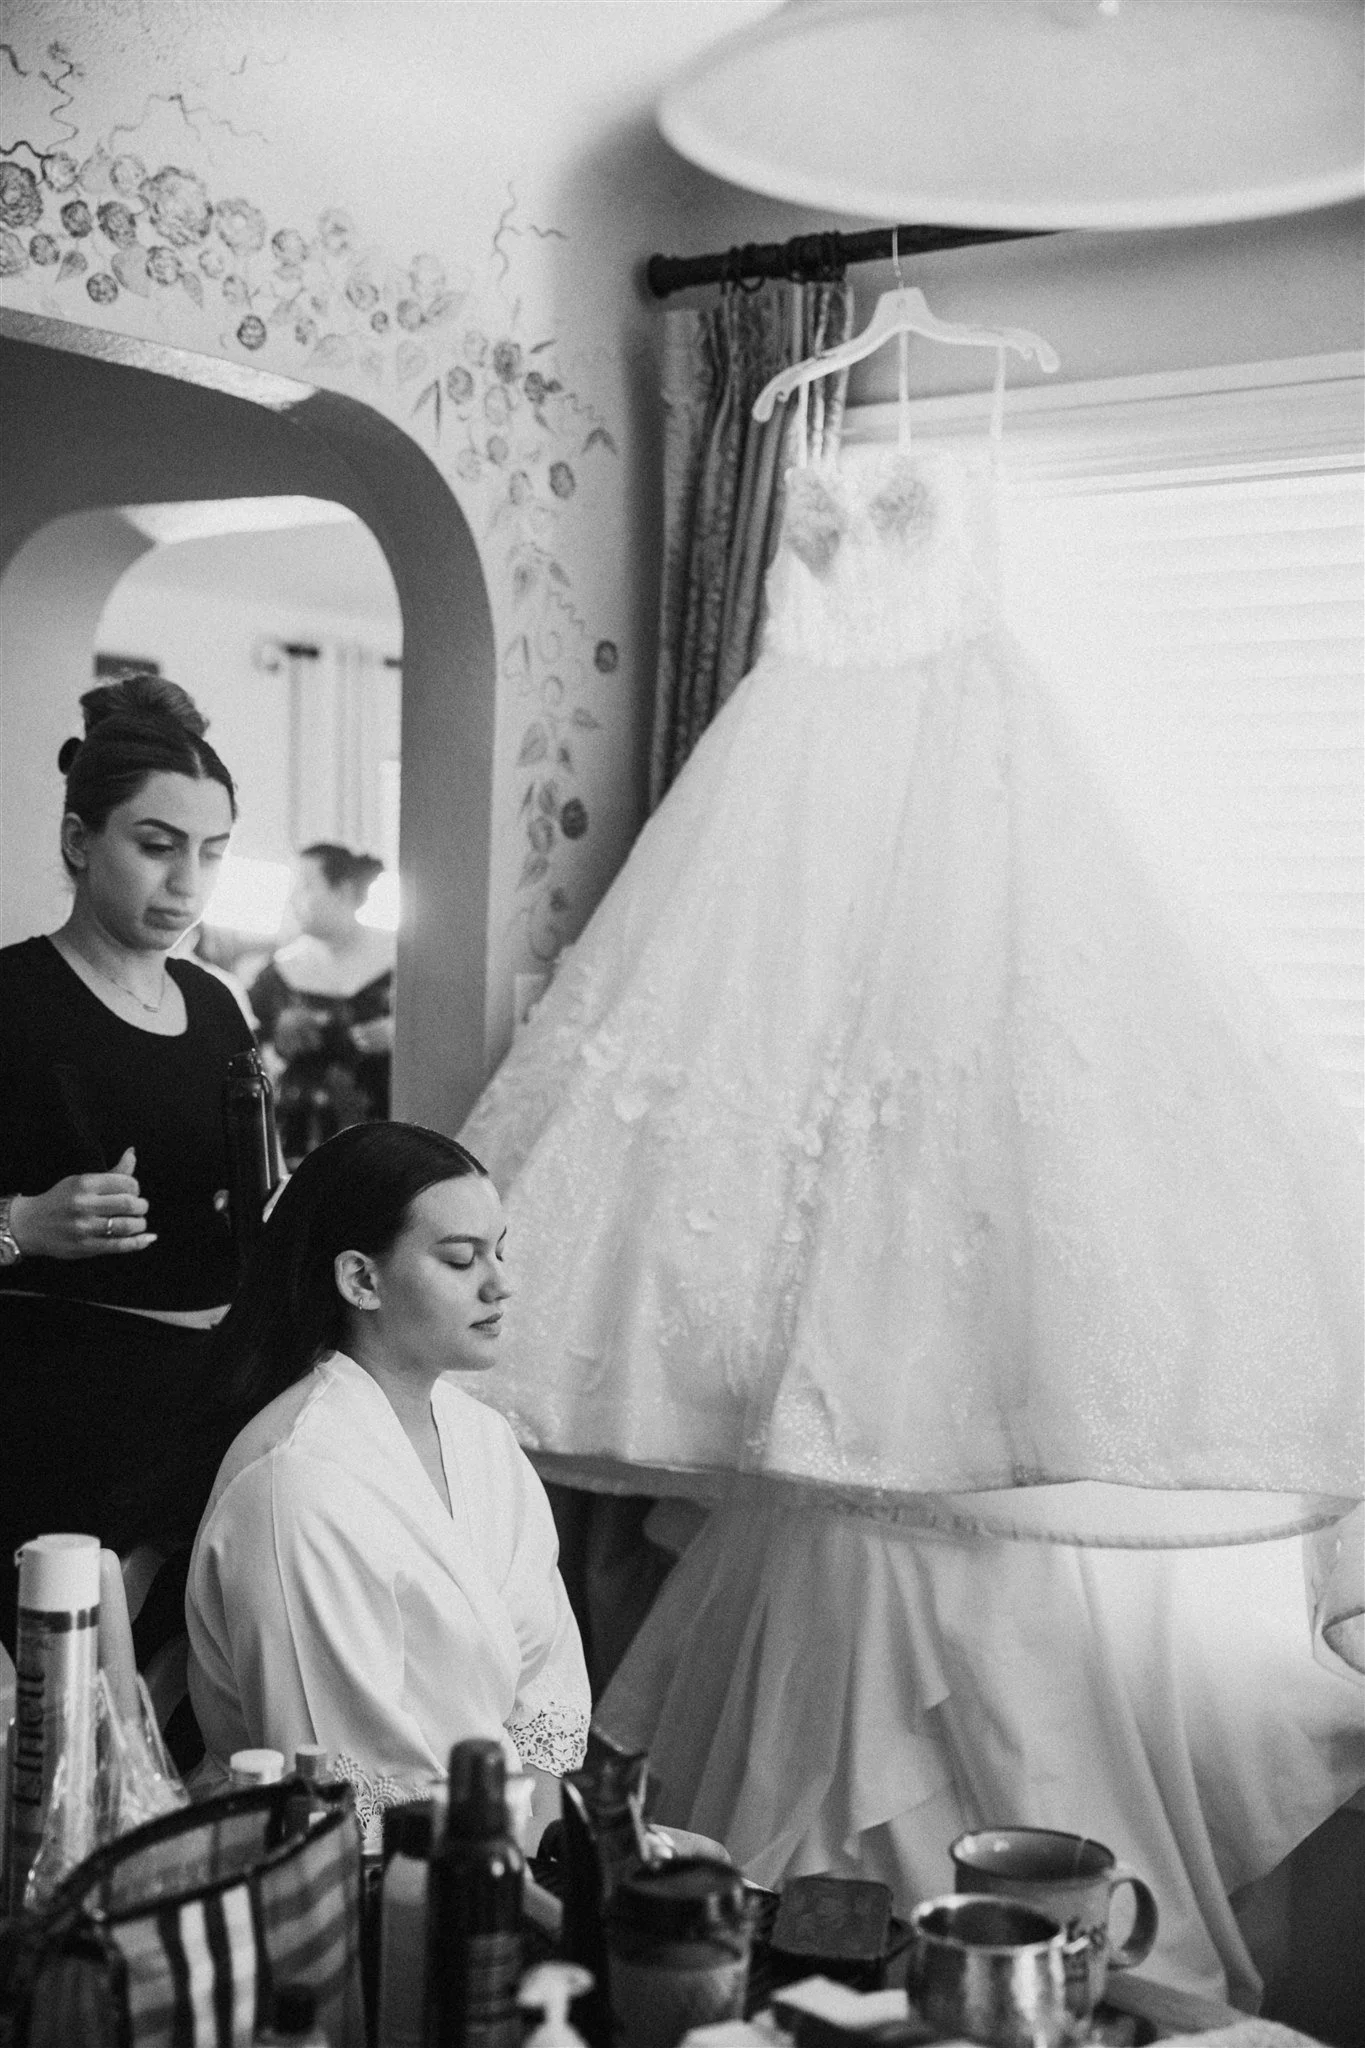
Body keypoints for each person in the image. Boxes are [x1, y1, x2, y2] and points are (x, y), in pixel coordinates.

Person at [458, 433, 1363, 2003]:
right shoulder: (808, 630)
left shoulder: (986, 573)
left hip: (958, 809)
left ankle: (990, 1970)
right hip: (799, 839)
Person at [185, 1121, 591, 1843]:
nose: (503, 1283)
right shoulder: (295, 1486)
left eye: (499, 1251)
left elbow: (544, 1696)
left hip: (508, 1831)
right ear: (361, 1280)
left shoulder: (484, 1440)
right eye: (462, 1260)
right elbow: (345, 1787)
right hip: (333, 1872)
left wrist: (574, 1839)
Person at [0, 675, 253, 1657]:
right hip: (61, 1416)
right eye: (157, 845)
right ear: (79, 841)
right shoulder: (14, 999)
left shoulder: (218, 1004)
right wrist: (23, 1221)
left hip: (213, 1404)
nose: (187, 882)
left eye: (212, 852)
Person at [249, 843, 395, 1165]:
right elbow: (252, 1055)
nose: (292, 901)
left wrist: (402, 1035)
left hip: (383, 1138)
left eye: (304, 888)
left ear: (341, 891)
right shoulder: (276, 976)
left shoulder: (401, 963)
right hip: (300, 1141)